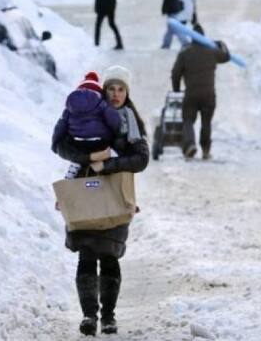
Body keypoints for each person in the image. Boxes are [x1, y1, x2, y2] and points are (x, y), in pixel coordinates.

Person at [51, 65, 149, 337]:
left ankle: (108, 317)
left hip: (116, 193)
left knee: (109, 254)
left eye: (121, 89)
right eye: (111, 88)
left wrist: (107, 164)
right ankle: (88, 316)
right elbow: (60, 145)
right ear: (103, 90)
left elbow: (141, 159)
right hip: (84, 191)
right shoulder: (85, 111)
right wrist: (89, 158)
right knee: (86, 253)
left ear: (127, 93)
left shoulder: (129, 120)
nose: (116, 94)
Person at [171, 23, 230, 160]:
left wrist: (176, 89)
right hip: (209, 95)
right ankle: (205, 150)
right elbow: (226, 57)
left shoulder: (185, 53)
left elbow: (175, 73)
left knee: (188, 120)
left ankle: (190, 145)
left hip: (191, 94)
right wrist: (221, 43)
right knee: (206, 122)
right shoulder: (212, 51)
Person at [51, 71, 122, 179]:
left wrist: (55, 144)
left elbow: (60, 126)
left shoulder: (70, 107)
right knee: (110, 150)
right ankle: (104, 170)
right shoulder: (103, 104)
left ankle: (76, 164)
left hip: (77, 143)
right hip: (99, 142)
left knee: (73, 149)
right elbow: (114, 121)